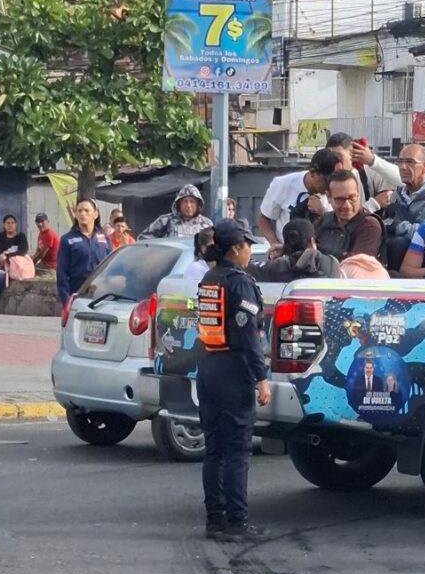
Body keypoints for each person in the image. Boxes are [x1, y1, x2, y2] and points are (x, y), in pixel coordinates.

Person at [196, 219, 271, 541]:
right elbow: (248, 335)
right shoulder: (239, 283)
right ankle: (237, 522)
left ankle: (215, 519)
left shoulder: (208, 279)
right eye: (248, 245)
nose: (250, 252)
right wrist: (261, 378)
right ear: (237, 248)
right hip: (232, 370)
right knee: (238, 450)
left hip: (209, 366)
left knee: (214, 449)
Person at [257, 148, 341, 249]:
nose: (329, 185)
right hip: (288, 252)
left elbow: (342, 224)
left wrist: (323, 213)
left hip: (323, 253)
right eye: (325, 181)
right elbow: (264, 218)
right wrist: (275, 243)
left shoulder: (336, 190)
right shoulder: (282, 185)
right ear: (312, 172)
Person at [383, 143, 425, 270]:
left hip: (424, 262)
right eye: (400, 162)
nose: (403, 167)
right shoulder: (396, 195)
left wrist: (397, 226)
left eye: (410, 162)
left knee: (400, 243)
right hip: (392, 261)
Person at [315, 171, 387, 262]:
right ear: (328, 197)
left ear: (359, 194)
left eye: (352, 198)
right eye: (340, 200)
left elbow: (356, 264)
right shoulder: (323, 221)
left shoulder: (370, 225)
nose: (347, 206)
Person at [326, 132, 401, 215]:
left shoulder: (365, 171)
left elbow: (402, 180)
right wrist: (374, 203)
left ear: (353, 154)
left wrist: (373, 161)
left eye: (338, 157)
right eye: (330, 157)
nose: (334, 162)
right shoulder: (323, 176)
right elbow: (337, 216)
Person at [56, 199, 112, 305]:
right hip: (77, 294)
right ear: (75, 215)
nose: (82, 214)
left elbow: (111, 267)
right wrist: (66, 299)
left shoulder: (105, 238)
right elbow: (61, 272)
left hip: (101, 296)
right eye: (79, 211)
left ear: (95, 214)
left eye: (87, 210)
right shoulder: (67, 239)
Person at [249, 218, 341, 282]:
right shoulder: (331, 263)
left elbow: (247, 268)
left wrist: (285, 249)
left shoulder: (277, 268)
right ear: (312, 241)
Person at [139, 184, 213, 239]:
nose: (188, 205)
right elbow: (143, 238)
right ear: (178, 204)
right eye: (185, 202)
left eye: (192, 201)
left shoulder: (207, 224)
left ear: (198, 205)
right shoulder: (166, 221)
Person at [0, 214, 30, 302]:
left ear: (16, 225)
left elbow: (23, 251)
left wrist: (6, 256)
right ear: (4, 225)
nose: (10, 225)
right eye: (8, 223)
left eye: (12, 223)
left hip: (11, 268)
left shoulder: (21, 237)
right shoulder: (0, 237)